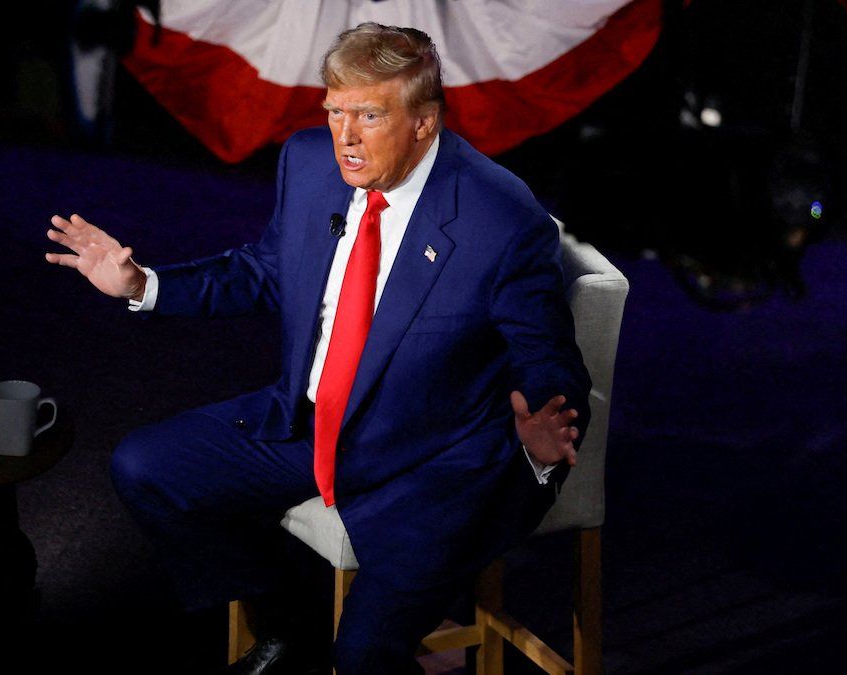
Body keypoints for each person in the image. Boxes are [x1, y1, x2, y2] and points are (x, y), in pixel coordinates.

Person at [45, 22, 590, 675]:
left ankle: (356, 632)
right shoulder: (307, 163)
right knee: (144, 466)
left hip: (425, 466)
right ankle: (292, 619)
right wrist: (143, 283)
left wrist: (534, 454)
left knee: (363, 655)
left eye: (368, 115)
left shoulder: (499, 218)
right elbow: (265, 270)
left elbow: (554, 371)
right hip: (309, 427)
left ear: (422, 122)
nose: (346, 138)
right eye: (335, 112)